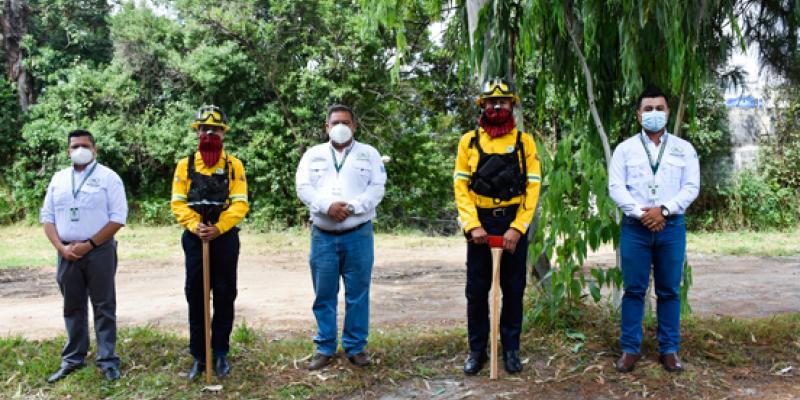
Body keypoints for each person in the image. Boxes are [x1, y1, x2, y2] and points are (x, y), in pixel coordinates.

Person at [608, 85, 700, 373]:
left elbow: (691, 187)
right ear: (638, 115)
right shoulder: (625, 149)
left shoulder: (684, 149)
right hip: (635, 228)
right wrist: (642, 214)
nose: (654, 113)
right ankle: (630, 349)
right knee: (634, 290)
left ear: (668, 112)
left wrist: (664, 211)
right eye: (648, 109)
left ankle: (669, 350)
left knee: (669, 290)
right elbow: (616, 187)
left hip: (671, 227)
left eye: (659, 108)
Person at [453, 78, 541, 375]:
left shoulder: (525, 142)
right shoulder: (468, 141)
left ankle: (511, 349)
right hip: (480, 223)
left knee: (513, 289)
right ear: (483, 106)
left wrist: (518, 227)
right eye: (491, 102)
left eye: (503, 102)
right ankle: (477, 350)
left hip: (512, 221)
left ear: (511, 106)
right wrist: (472, 225)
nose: (497, 106)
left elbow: (533, 187)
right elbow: (461, 187)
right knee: (477, 291)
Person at [295, 104, 387, 370]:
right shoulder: (313, 155)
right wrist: (327, 207)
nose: (340, 127)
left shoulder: (369, 154)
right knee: (324, 294)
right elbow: (303, 187)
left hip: (358, 235)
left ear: (354, 126)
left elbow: (377, 188)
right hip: (323, 237)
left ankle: (355, 347)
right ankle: (325, 347)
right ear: (327, 126)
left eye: (346, 122)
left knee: (357, 293)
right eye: (335, 122)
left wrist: (352, 207)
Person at [41, 129, 128, 383]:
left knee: (104, 305)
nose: (79, 150)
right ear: (68, 151)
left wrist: (89, 245)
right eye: (74, 146)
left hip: (99, 251)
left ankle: (107, 360)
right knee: (72, 306)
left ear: (94, 149)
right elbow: (47, 217)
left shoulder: (108, 178)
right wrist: (61, 248)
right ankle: (73, 358)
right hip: (67, 253)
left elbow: (118, 218)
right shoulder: (59, 179)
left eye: (85, 146)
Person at [170, 105, 249, 380]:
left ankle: (220, 352)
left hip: (224, 238)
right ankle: (199, 355)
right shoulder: (185, 165)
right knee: (196, 295)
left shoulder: (233, 166)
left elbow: (240, 204)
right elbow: (177, 203)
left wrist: (218, 228)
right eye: (205, 129)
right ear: (197, 132)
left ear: (223, 133)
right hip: (195, 239)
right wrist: (196, 226)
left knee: (225, 294)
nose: (210, 134)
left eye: (216, 129)